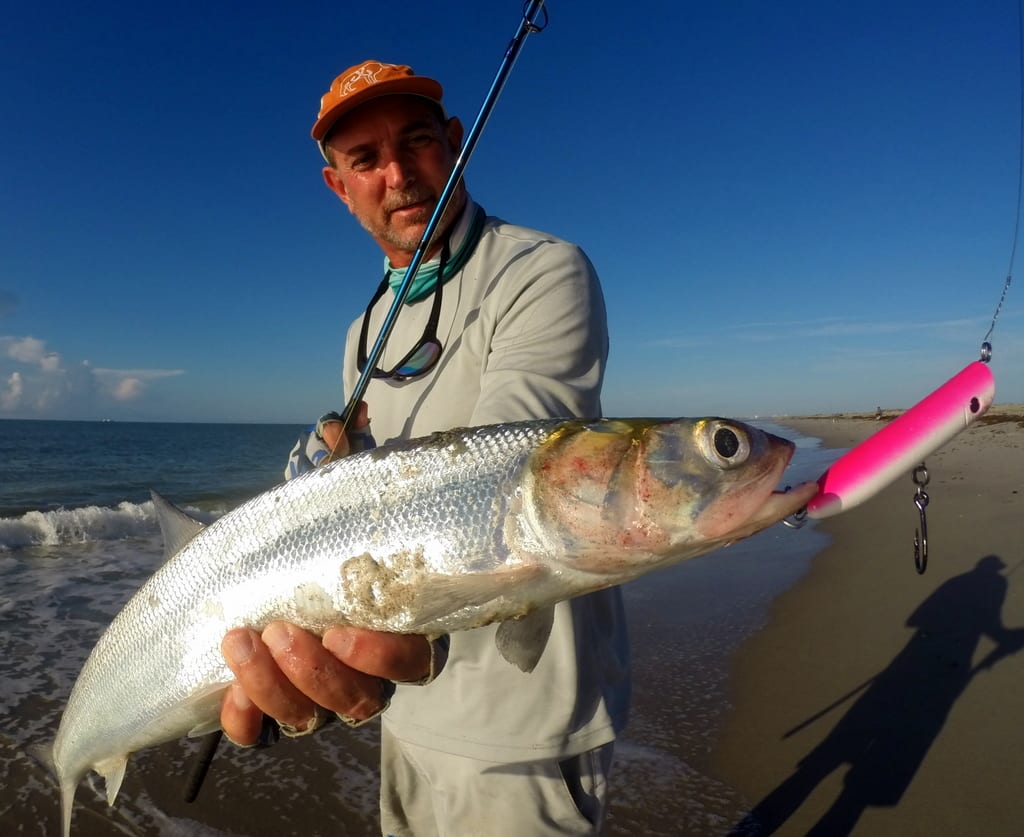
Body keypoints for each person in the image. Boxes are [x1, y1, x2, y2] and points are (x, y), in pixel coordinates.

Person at [219, 60, 630, 836]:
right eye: (365, 160)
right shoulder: (364, 330)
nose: (400, 175)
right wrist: (333, 467)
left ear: (454, 144)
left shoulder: (540, 269)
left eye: (416, 143)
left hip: (523, 718)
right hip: (401, 703)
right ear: (338, 187)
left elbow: (512, 477)